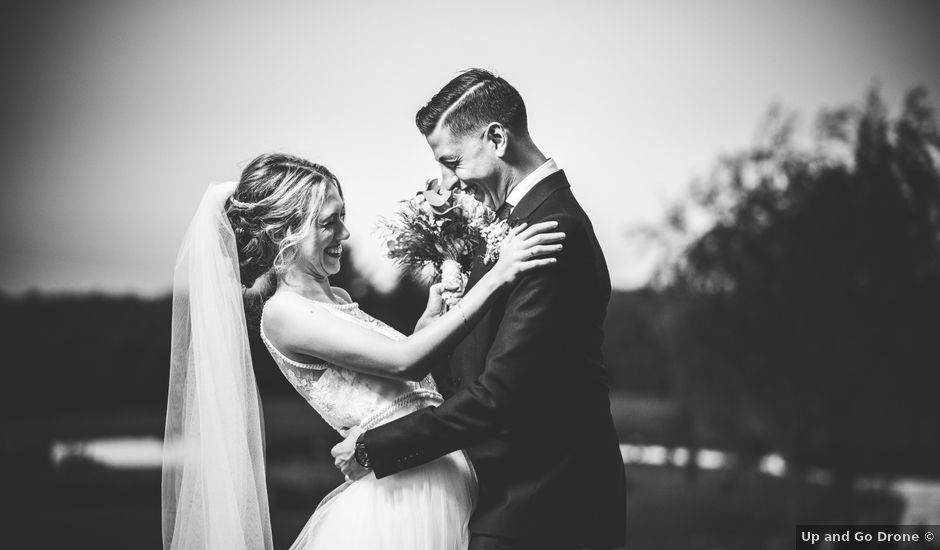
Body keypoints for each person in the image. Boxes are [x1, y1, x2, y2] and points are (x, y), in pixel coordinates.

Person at [162, 152, 564, 550]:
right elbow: (405, 360)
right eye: (328, 222)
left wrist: (428, 321)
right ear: (285, 231)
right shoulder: (283, 313)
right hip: (404, 497)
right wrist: (497, 277)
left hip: (434, 472)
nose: (344, 233)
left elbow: (401, 374)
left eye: (342, 216)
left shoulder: (335, 297)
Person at [333, 69, 627, 550]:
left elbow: (500, 394)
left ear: (496, 138)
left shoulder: (550, 232)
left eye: (453, 161)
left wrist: (374, 448)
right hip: (512, 497)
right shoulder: (514, 224)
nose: (446, 181)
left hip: (543, 507)